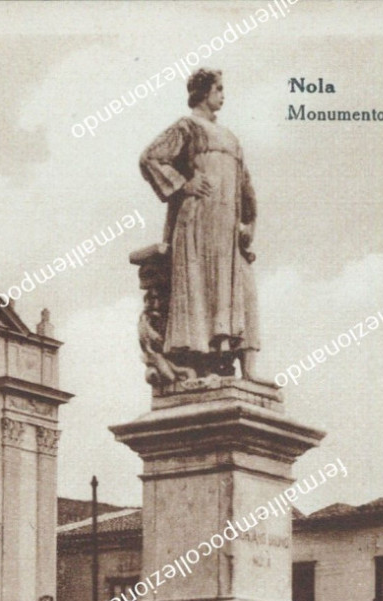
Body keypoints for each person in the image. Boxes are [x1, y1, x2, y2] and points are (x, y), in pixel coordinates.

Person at [139, 69, 259, 379]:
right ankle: (195, 358)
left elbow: (245, 184)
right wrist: (183, 184)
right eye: (218, 88)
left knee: (236, 289)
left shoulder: (231, 137)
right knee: (198, 285)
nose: (223, 94)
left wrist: (248, 221)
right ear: (203, 91)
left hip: (227, 227)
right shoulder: (187, 127)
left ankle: (228, 357)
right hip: (198, 222)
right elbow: (151, 157)